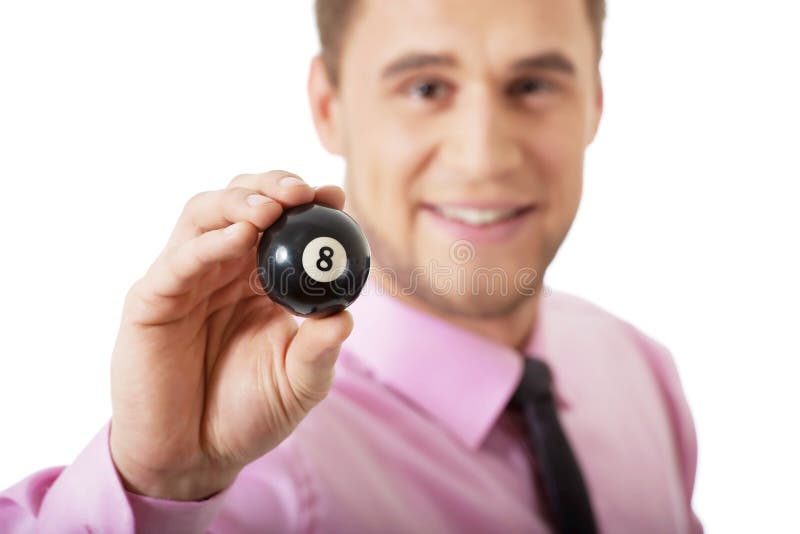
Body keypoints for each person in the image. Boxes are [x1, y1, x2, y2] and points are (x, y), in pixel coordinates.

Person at [0, 0, 704, 532]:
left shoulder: (641, 370)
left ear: (595, 104)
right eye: (425, 88)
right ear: (328, 106)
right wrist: (160, 481)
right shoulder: (248, 474)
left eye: (533, 86)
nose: (485, 155)